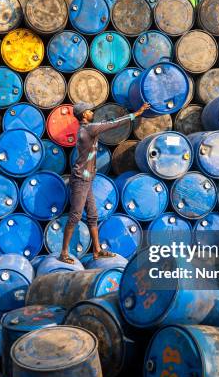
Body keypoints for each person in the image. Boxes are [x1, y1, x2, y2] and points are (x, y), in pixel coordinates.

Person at [59, 101, 151, 264]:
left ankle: (97, 250)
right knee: (75, 215)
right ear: (84, 115)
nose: (91, 112)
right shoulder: (89, 129)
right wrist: (136, 114)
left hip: (87, 179)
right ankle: (64, 253)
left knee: (93, 215)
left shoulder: (86, 129)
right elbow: (112, 124)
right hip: (81, 179)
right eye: (89, 111)